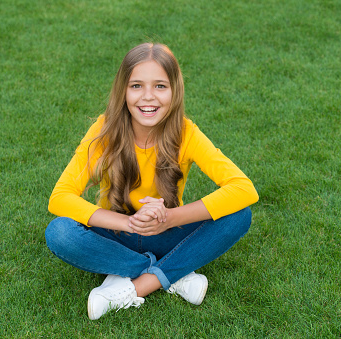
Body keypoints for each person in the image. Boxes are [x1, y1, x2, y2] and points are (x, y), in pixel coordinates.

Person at [45, 42, 259, 320]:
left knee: (239, 215)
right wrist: (128, 223)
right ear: (123, 90)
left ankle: (137, 284)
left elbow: (244, 189)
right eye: (136, 86)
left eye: (160, 86)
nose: (148, 97)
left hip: (166, 233)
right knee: (59, 232)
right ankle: (174, 272)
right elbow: (60, 196)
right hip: (117, 234)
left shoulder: (186, 133)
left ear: (174, 91)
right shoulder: (104, 130)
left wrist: (170, 218)